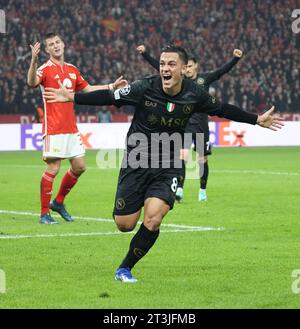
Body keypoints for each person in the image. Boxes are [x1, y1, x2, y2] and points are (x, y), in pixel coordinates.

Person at [44, 45, 283, 282]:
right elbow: (108, 97)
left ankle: (125, 268)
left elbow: (221, 109)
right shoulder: (143, 87)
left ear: (183, 69)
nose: (165, 69)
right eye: (162, 64)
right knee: (124, 224)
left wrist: (255, 119)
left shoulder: (194, 93)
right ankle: (131, 209)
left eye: (171, 64)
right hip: (137, 160)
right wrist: (72, 96)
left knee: (153, 218)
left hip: (169, 163)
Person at [27, 32, 127, 224]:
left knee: (80, 166)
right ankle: (44, 213)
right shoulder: (44, 69)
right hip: (54, 127)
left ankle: (58, 202)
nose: (55, 46)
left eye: (57, 42)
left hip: (70, 128)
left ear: (63, 44)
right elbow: (31, 82)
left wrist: (111, 86)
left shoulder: (72, 70)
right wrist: (33, 60)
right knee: (53, 167)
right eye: (51, 44)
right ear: (47, 49)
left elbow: (88, 89)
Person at [136, 44, 243, 202]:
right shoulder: (181, 81)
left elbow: (222, 71)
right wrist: (145, 54)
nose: (188, 70)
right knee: (182, 156)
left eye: (191, 67)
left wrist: (235, 59)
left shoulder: (204, 79)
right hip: (185, 125)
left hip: (201, 127)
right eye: (187, 68)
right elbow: (158, 67)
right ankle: (179, 188)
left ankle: (202, 190)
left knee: (202, 160)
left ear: (195, 67)